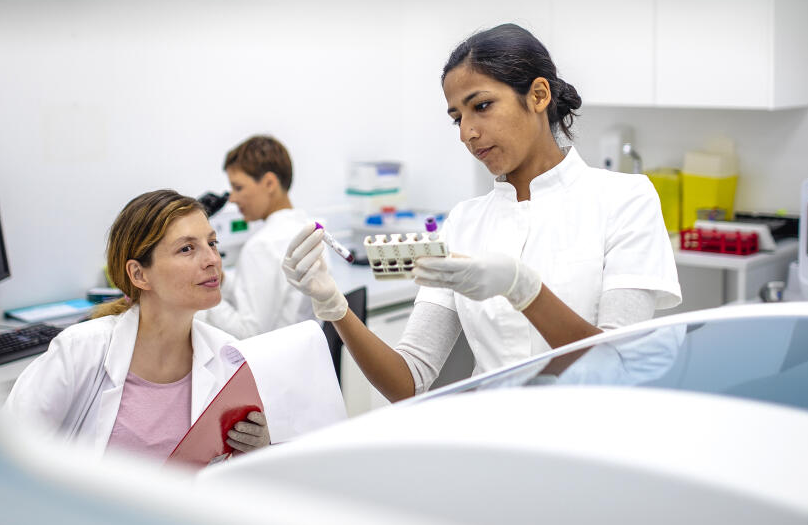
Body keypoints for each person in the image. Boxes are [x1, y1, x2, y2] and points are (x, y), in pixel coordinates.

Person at [283, 22, 681, 403]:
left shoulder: (625, 199)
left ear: (539, 95)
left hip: (590, 449)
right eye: (458, 117)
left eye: (482, 106)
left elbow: (618, 369)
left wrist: (524, 289)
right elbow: (407, 381)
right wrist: (335, 308)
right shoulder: (465, 223)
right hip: (491, 443)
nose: (466, 132)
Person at [4, 190, 268, 461]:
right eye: (187, 248)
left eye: (212, 243)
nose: (212, 259)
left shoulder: (229, 357)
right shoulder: (80, 351)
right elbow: (4, 452)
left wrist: (259, 450)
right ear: (139, 274)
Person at [198, 135, 325, 339]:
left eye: (238, 187)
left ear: (269, 183)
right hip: (300, 354)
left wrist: (203, 293)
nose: (232, 197)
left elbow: (250, 333)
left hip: (272, 364)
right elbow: (262, 297)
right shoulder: (309, 231)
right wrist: (222, 281)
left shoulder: (263, 245)